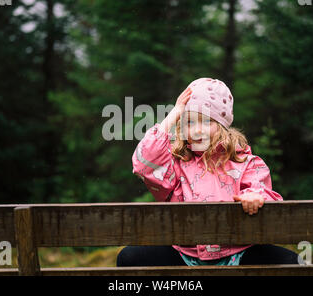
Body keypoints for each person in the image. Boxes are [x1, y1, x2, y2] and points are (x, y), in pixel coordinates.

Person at [117, 77, 302, 267]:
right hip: (184, 255)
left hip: (238, 253)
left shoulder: (246, 162)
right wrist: (175, 113)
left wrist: (254, 197)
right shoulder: (176, 164)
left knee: (294, 263)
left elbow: (264, 193)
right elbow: (144, 164)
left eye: (206, 122)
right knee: (129, 257)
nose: (197, 131)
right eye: (189, 122)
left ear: (222, 126)